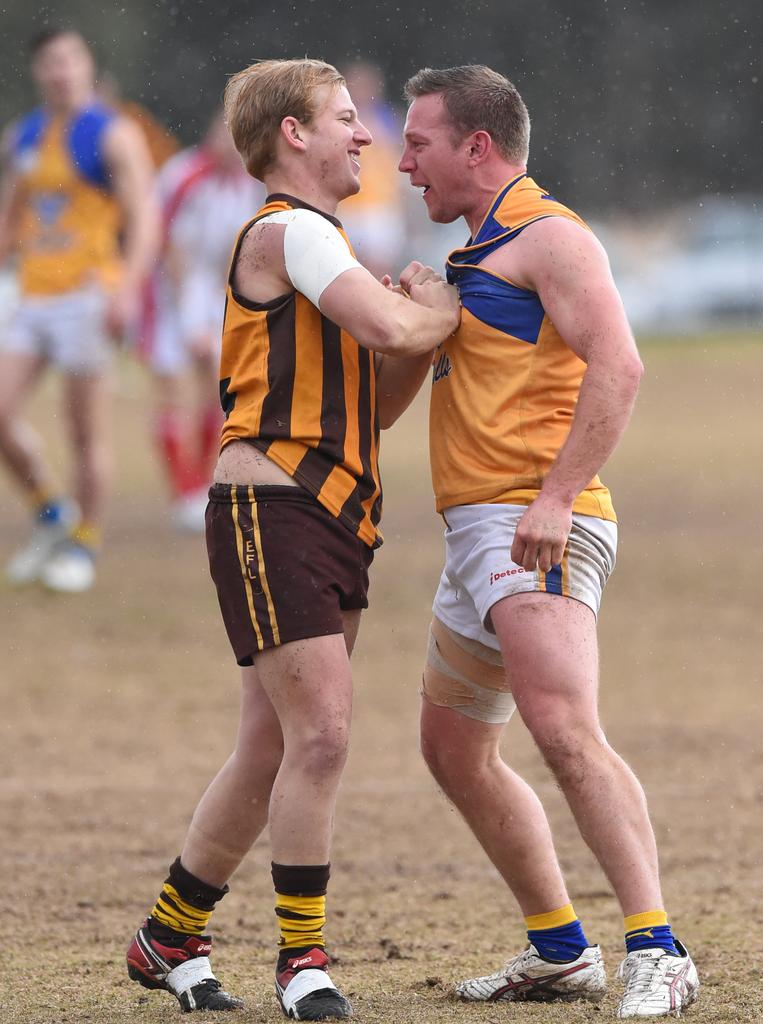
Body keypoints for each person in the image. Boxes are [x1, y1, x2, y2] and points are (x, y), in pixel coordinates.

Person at [126, 58, 459, 1019]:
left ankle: (168, 934)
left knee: (271, 744)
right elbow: (387, 328)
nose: (368, 137)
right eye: (347, 119)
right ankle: (303, 963)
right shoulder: (291, 231)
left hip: (334, 513)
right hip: (274, 510)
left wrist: (422, 326)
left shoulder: (330, 243)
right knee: (324, 736)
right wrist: (431, 312)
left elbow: (381, 397)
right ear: (293, 136)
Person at [398, 65, 700, 1019]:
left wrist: (558, 498)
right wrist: (413, 322)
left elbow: (622, 363)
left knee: (565, 730)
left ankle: (660, 947)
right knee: (452, 750)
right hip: (475, 531)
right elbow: (390, 409)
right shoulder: (471, 257)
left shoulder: (550, 237)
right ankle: (562, 949)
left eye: (419, 144)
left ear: (476, 148)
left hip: (533, 521)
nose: (402, 163)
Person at [0, 27, 157, 592]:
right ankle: (50, 513)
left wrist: (128, 288)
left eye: (69, 59)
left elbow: (144, 218)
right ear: (38, 71)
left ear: (87, 65)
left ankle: (84, 545)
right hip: (33, 294)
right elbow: (10, 217)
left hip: (89, 294)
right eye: (49, 62)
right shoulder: (25, 135)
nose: (60, 70)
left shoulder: (112, 133)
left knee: (83, 431)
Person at [139, 110, 264, 530]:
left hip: (212, 294)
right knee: (172, 389)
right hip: (169, 294)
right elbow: (168, 245)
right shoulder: (184, 174)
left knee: (217, 388)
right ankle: (183, 490)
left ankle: (201, 485)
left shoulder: (247, 185)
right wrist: (187, 316)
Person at [338, 62, 406, 279]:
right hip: (348, 205)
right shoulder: (340, 119)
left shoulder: (386, 118)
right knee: (348, 269)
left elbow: (396, 157)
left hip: (380, 205)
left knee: (379, 269)